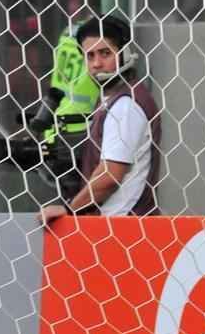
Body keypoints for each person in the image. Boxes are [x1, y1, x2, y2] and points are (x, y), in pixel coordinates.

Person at [38, 15, 161, 224]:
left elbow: (109, 176)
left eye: (105, 53)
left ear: (124, 53)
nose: (97, 64)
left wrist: (68, 210)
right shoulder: (110, 99)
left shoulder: (124, 106)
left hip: (123, 228)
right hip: (114, 227)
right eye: (90, 55)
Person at [27, 13, 101, 205]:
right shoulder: (94, 40)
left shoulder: (68, 33)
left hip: (54, 128)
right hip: (78, 134)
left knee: (71, 198)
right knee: (83, 202)